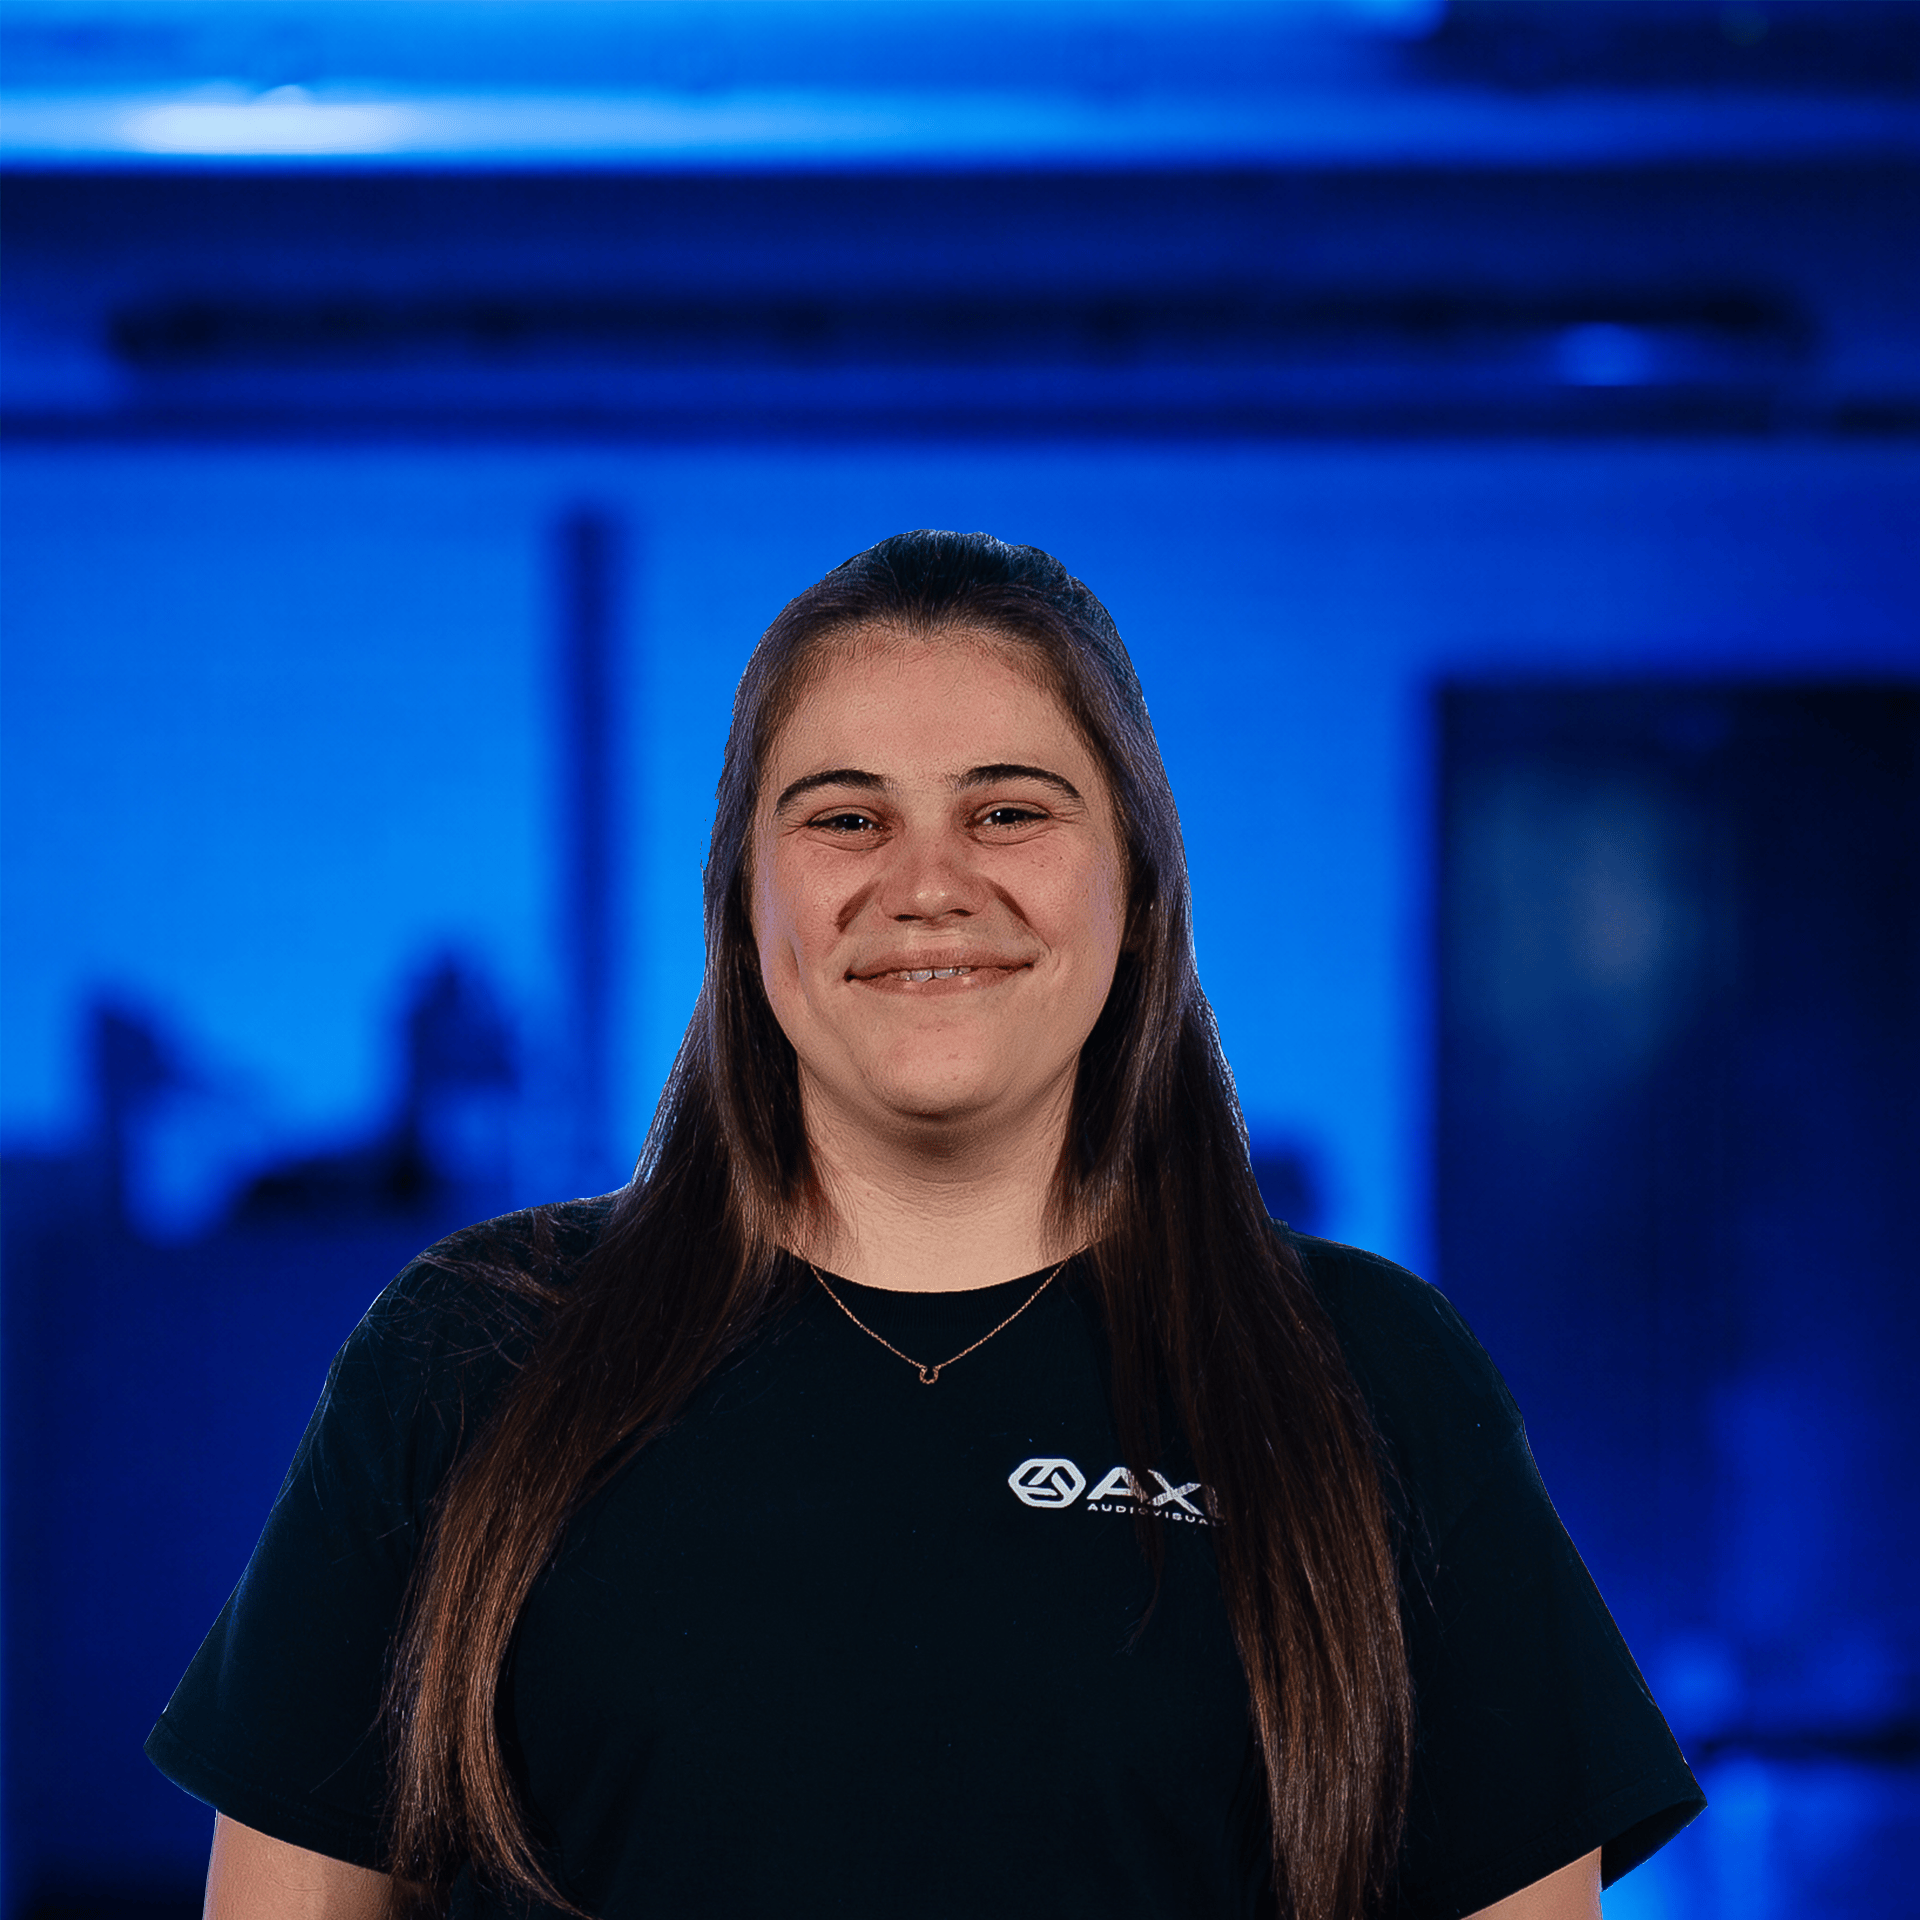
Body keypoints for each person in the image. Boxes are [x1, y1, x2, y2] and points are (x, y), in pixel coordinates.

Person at [149, 530, 1703, 1920]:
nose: (928, 884)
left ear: (1139, 887)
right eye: (844, 819)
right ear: (748, 902)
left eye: (1010, 811)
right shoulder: (475, 1355)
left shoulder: (1369, 1376)